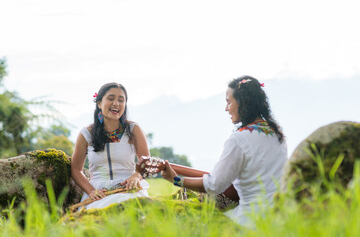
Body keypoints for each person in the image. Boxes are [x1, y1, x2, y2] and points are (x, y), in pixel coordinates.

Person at [161, 76, 288, 226]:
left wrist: (175, 179)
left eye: (229, 102)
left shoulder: (239, 139)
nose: (226, 108)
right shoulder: (277, 133)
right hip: (280, 218)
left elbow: (215, 185)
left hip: (250, 220)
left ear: (243, 102)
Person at [71, 82, 150, 210]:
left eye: (121, 100)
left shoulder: (134, 129)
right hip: (98, 193)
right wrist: (91, 191)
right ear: (99, 103)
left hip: (128, 189)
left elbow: (146, 163)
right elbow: (76, 169)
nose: (116, 104)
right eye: (111, 98)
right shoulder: (86, 133)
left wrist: (136, 176)